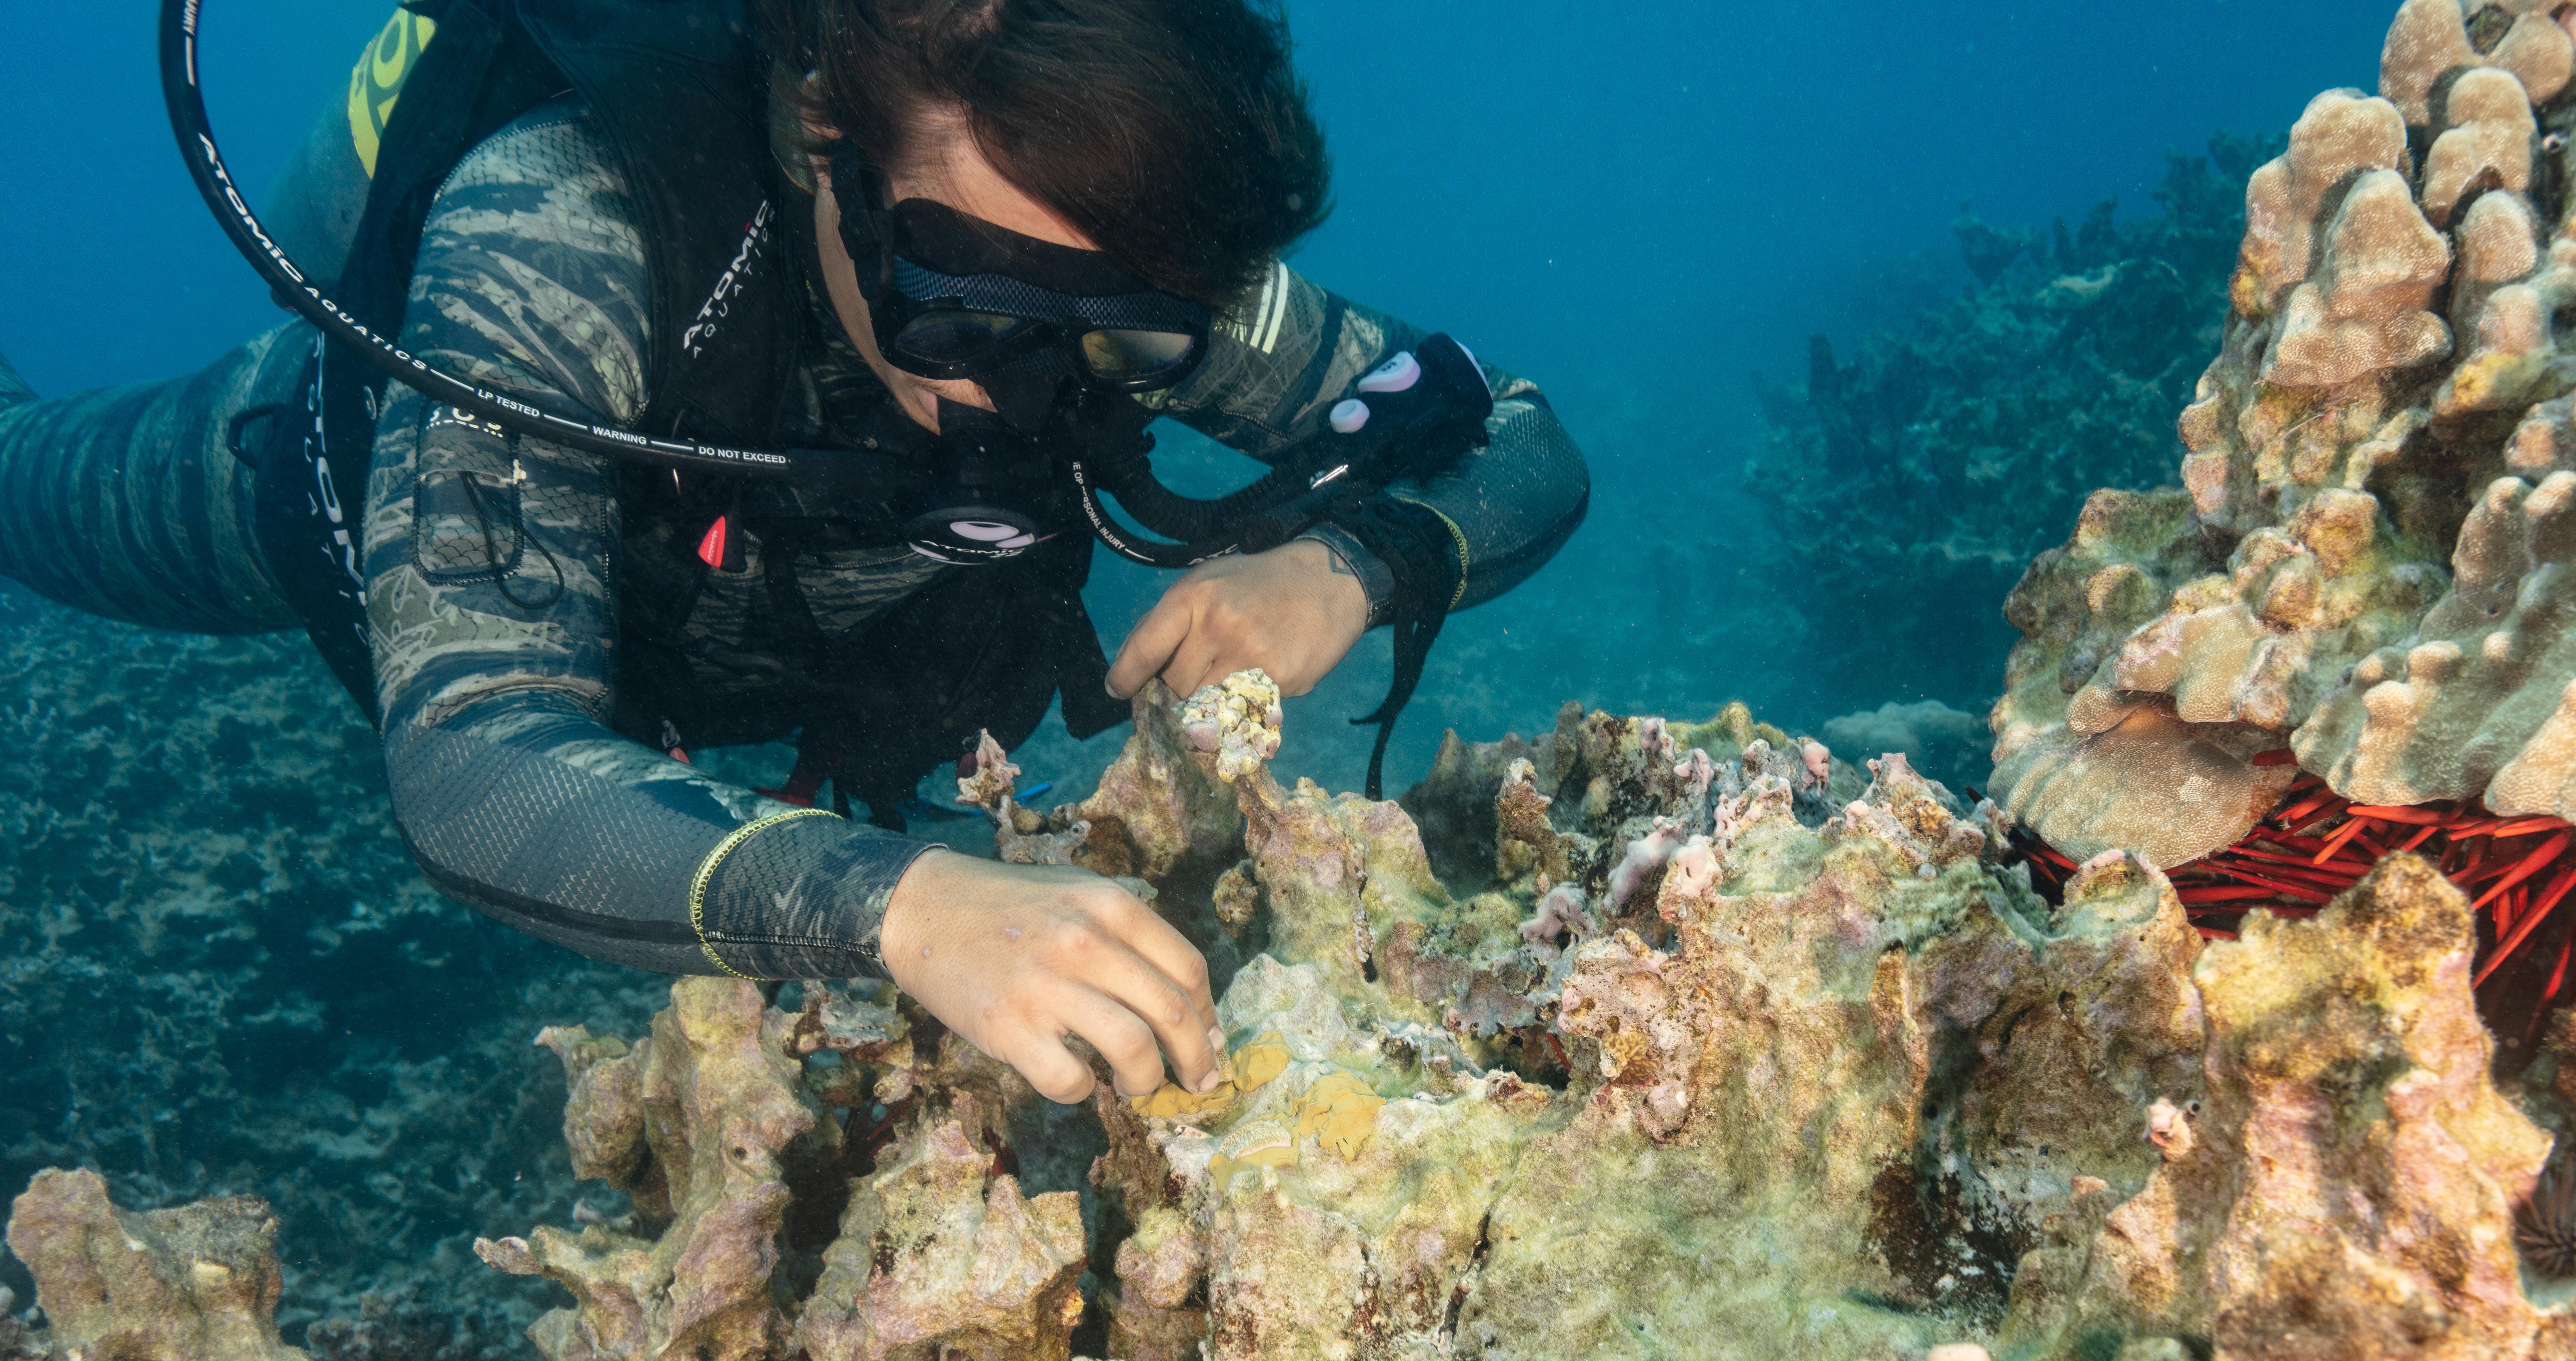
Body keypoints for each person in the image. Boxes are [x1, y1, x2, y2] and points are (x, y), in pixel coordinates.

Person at [0, 0, 1588, 1107]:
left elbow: (1515, 432)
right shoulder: (570, 224)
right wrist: (900, 907)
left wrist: (1348, 565)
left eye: (1117, 343)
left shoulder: (1110, 250)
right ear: (821, 133)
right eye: (964, 311)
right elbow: (477, 761)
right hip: (301, 483)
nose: (1010, 396)